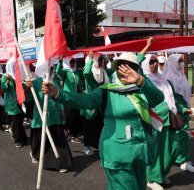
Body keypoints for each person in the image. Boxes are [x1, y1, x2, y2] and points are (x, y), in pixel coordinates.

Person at [42, 51, 165, 190]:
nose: (126, 71)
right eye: (121, 67)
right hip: (120, 155)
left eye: (130, 67)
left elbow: (158, 99)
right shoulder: (107, 90)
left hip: (140, 153)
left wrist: (140, 81)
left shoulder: (141, 87)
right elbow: (84, 100)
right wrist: (58, 94)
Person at [140, 53, 192, 190]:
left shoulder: (164, 80)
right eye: (151, 62)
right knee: (157, 151)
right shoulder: (144, 82)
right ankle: (152, 178)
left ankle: (161, 173)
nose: (155, 64)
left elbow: (173, 99)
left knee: (172, 149)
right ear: (145, 64)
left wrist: (183, 109)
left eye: (156, 61)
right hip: (156, 120)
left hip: (171, 118)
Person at [26, 66, 73, 173]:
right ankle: (35, 153)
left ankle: (61, 162)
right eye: (48, 68)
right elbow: (27, 99)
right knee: (39, 141)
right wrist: (28, 89)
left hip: (55, 116)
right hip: (41, 117)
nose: (50, 70)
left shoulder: (56, 81)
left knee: (58, 140)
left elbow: (59, 97)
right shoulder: (36, 82)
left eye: (52, 68)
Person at [164, 54, 194, 173]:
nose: (182, 63)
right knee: (180, 136)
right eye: (179, 60)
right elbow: (169, 99)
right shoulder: (168, 78)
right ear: (173, 62)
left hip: (184, 110)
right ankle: (183, 161)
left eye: (182, 60)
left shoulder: (181, 74)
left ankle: (183, 158)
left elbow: (185, 93)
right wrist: (182, 109)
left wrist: (186, 107)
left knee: (183, 136)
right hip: (176, 111)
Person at [81, 52, 114, 155]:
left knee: (101, 125)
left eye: (102, 59)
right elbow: (85, 72)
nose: (102, 62)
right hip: (92, 104)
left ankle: (100, 144)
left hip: (103, 104)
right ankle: (86, 146)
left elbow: (115, 69)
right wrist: (90, 57)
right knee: (89, 125)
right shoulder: (90, 73)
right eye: (99, 60)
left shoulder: (104, 72)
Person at [55, 56, 84, 145]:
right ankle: (67, 133)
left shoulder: (78, 71)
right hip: (68, 98)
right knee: (69, 117)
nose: (72, 64)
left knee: (76, 116)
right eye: (70, 62)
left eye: (73, 62)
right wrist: (60, 61)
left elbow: (85, 74)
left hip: (77, 97)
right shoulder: (65, 71)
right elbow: (57, 72)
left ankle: (74, 135)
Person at [2, 60, 27, 148]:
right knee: (16, 122)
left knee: (19, 121)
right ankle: (18, 140)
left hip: (20, 101)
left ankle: (21, 136)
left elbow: (24, 87)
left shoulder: (19, 75)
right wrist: (8, 81)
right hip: (12, 103)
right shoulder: (5, 76)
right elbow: (3, 88)